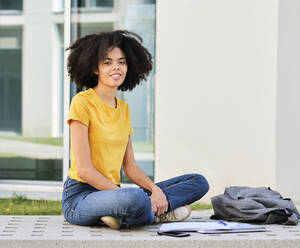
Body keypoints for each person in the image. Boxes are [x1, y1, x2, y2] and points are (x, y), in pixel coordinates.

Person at [62, 30, 209, 230]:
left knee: (198, 182)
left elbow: (130, 167)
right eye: (107, 62)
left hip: (113, 194)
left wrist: (155, 190)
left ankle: (125, 214)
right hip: (80, 196)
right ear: (95, 68)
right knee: (134, 197)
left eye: (121, 62)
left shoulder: (123, 109)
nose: (116, 67)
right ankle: (154, 214)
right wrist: (122, 196)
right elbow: (85, 171)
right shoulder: (82, 102)